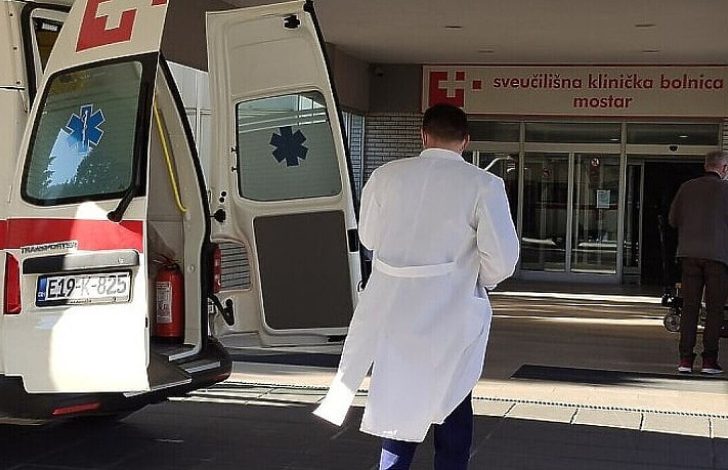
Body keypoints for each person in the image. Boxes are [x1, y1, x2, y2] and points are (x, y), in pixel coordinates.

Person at [314, 103, 519, 469]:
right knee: (453, 402)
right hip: (452, 312)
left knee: (399, 402)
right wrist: (480, 279)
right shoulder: (484, 185)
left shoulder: (386, 176)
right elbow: (502, 258)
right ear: (466, 141)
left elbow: (370, 238)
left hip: (393, 309)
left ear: (423, 136)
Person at [669, 150, 728, 375]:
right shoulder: (726, 189)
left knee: (689, 307)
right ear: (724, 168)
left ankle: (685, 359)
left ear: (706, 166)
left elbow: (673, 219)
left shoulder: (687, 187)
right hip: (718, 257)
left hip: (689, 255)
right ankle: (709, 361)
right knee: (714, 309)